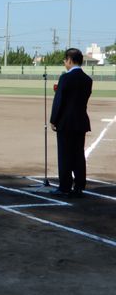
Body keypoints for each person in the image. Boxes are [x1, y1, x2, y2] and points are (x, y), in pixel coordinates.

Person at [50, 48, 93, 198]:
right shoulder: (88, 80)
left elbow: (59, 102)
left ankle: (65, 186)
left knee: (65, 155)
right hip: (80, 121)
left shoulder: (65, 78)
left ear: (69, 60)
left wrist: (53, 120)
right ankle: (79, 186)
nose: (64, 63)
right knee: (78, 154)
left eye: (65, 60)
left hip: (66, 123)